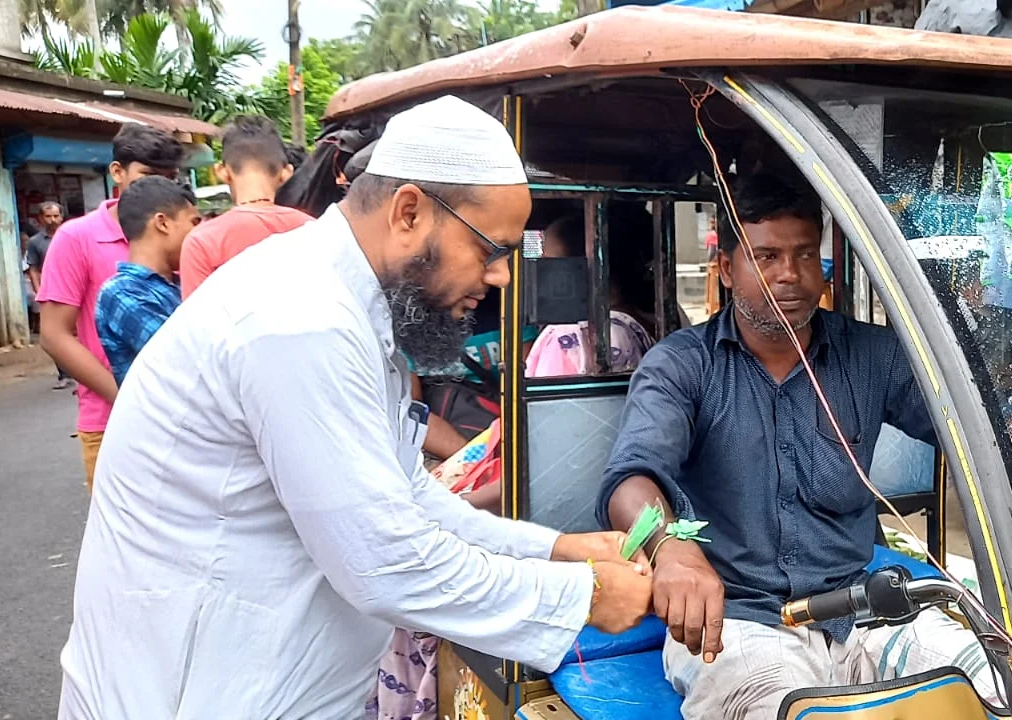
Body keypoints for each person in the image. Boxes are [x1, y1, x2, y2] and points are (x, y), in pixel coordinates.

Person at [57, 96, 655, 720]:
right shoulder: (298, 319)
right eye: (490, 249)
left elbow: (406, 500)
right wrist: (578, 596)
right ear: (409, 212)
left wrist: (556, 550)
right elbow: (386, 560)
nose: (501, 278)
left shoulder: (348, 309)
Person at [598, 173, 1012, 720]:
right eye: (765, 256)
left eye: (804, 255)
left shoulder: (871, 355)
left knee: (1003, 688)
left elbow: (995, 440)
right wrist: (669, 547)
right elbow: (632, 478)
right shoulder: (682, 365)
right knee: (786, 707)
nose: (788, 274)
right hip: (737, 624)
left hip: (856, 608)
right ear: (727, 268)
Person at [37, 123, 184, 490]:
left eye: (169, 178)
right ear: (117, 172)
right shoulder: (77, 237)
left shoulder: (182, 233)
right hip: (111, 421)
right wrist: (128, 398)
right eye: (147, 175)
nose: (158, 188)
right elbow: (55, 335)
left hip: (184, 420)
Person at [179, 115, 313, 299]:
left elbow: (197, 324)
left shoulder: (202, 242)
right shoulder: (313, 229)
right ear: (286, 172)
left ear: (223, 172)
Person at [526, 209, 657, 376]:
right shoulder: (646, 323)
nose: (541, 275)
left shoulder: (566, 335)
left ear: (577, 269)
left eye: (548, 264)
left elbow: (543, 400)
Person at [94, 177, 200, 386]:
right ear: (162, 223)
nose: (200, 232)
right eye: (194, 222)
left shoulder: (179, 282)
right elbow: (190, 362)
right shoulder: (122, 293)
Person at [25, 202, 70, 389]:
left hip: (76, 290)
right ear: (41, 219)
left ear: (61, 216)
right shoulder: (35, 242)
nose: (52, 220)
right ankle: (64, 374)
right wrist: (39, 291)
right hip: (52, 292)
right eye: (48, 216)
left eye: (55, 216)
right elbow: (33, 269)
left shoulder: (71, 236)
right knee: (55, 335)